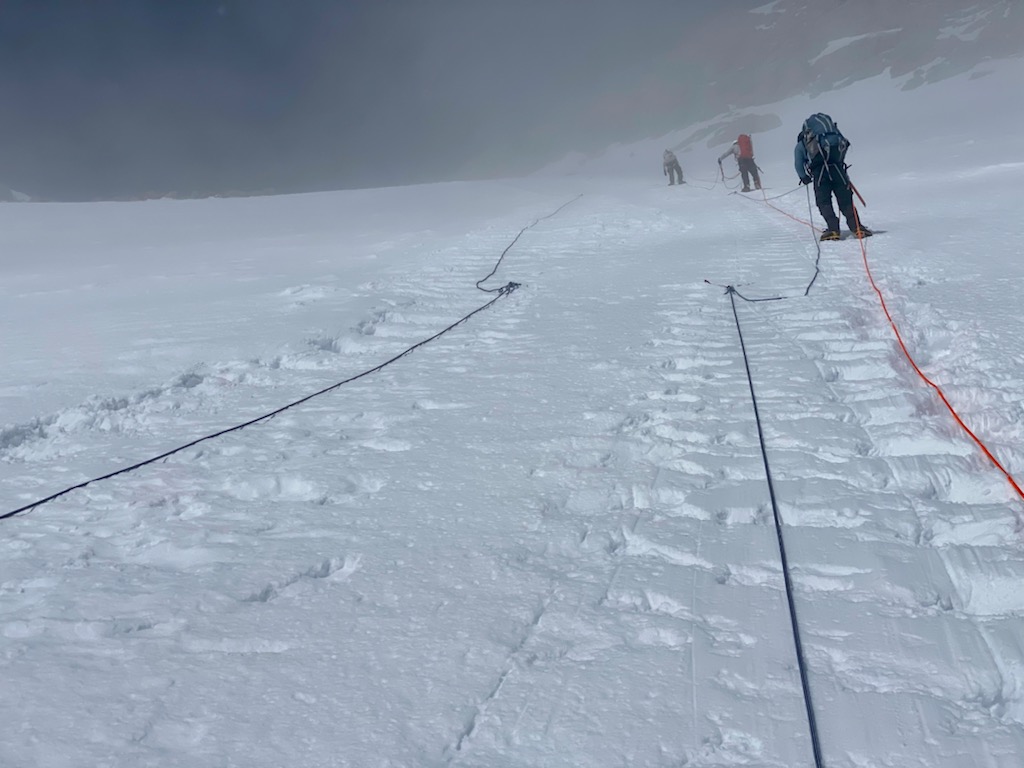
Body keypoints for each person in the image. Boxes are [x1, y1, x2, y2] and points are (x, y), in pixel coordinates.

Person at [794, 113, 872, 241]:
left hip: (820, 173)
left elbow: (798, 164)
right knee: (845, 199)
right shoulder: (833, 136)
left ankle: (833, 229)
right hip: (838, 169)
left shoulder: (803, 143)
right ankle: (857, 227)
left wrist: (804, 177)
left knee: (823, 201)